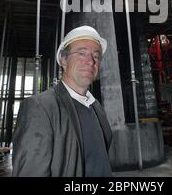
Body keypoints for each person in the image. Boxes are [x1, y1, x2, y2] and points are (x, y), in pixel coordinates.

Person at [12, 25, 112, 177]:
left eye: (96, 56)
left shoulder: (96, 107)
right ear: (63, 60)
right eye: (82, 53)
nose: (91, 61)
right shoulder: (40, 108)